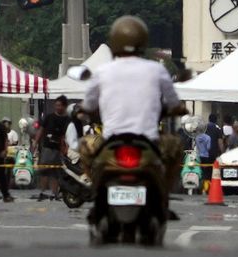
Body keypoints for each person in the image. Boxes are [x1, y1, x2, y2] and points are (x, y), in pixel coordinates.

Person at [81, 16, 185, 219]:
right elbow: (174, 103)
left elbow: (89, 105)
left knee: (85, 146)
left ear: (114, 41)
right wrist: (177, 109)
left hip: (111, 141)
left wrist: (84, 111)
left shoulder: (102, 71)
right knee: (176, 147)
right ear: (143, 41)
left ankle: (95, 190)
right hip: (148, 142)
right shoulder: (157, 70)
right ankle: (164, 197)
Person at [34, 97, 69, 200]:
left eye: (60, 105)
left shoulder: (67, 119)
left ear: (64, 106)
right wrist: (35, 142)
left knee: (55, 172)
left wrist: (65, 148)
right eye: (56, 105)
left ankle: (55, 193)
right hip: (47, 147)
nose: (58, 107)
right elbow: (41, 130)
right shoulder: (49, 117)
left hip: (58, 149)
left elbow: (65, 135)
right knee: (44, 170)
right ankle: (42, 192)